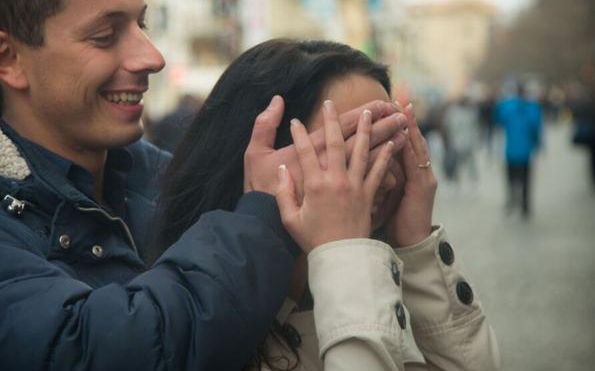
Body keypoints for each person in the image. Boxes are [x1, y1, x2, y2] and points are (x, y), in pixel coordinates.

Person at [0, 0, 406, 370]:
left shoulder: (167, 177)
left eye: (142, 24)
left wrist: (416, 250)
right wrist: (266, 215)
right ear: (10, 59)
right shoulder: (249, 213)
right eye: (105, 36)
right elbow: (90, 348)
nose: (152, 57)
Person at [154, 39, 501, 371]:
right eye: (351, 150)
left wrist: (418, 247)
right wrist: (344, 253)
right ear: (265, 161)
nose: (390, 179)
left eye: (391, 147)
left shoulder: (379, 281)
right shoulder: (203, 320)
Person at [495, 82, 543, 218]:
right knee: (526, 180)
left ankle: (511, 201)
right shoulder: (532, 107)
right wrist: (537, 144)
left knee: (511, 179)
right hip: (526, 152)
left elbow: (499, 119)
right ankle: (525, 207)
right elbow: (536, 127)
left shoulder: (507, 106)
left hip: (510, 151)